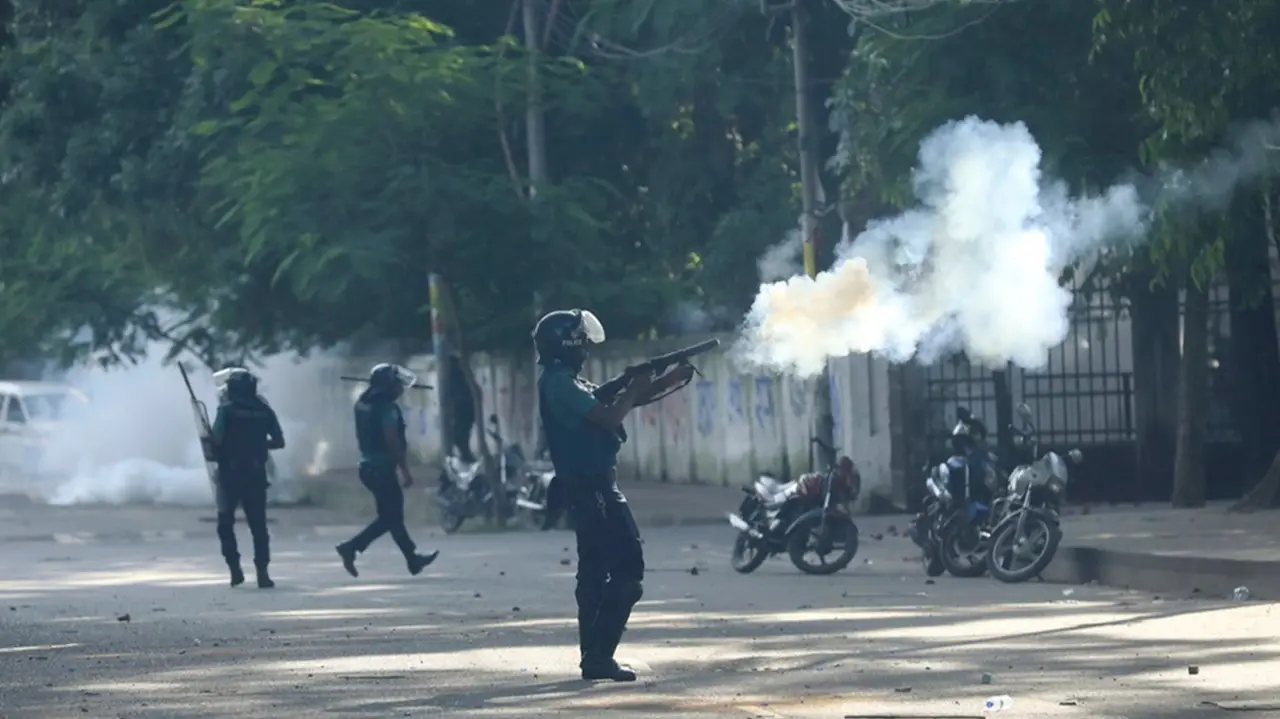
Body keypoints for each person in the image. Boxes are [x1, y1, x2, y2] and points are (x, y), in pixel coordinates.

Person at [533, 308, 694, 682]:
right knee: (628, 570)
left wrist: (667, 379)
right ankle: (599, 656)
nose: (586, 350)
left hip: (587, 488)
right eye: (582, 343)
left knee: (593, 573)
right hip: (596, 489)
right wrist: (636, 386)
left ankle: (593, 655)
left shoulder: (565, 381)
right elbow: (608, 417)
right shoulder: (560, 384)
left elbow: (619, 403)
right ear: (567, 345)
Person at [335, 363, 439, 578]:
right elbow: (392, 438)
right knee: (390, 517)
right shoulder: (387, 408)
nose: (401, 388)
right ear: (388, 386)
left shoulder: (363, 402)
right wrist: (405, 468)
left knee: (392, 516)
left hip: (367, 467)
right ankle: (351, 547)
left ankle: (412, 559)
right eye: (397, 383)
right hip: (382, 468)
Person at [207, 367, 285, 589]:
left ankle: (235, 569)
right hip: (256, 473)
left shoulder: (226, 411)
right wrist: (258, 444)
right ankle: (263, 572)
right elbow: (279, 442)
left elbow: (217, 439)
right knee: (258, 525)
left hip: (229, 474)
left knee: (225, 523)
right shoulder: (265, 411)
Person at [447, 353, 476, 463]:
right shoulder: (459, 375)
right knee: (460, 438)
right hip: (463, 412)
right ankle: (466, 457)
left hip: (462, 412)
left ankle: (467, 458)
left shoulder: (456, 375)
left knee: (459, 438)